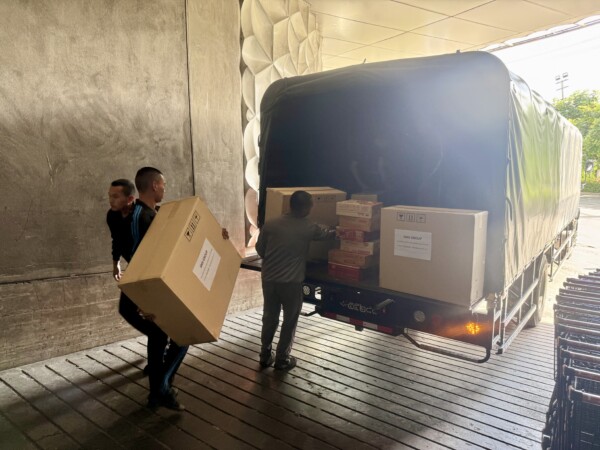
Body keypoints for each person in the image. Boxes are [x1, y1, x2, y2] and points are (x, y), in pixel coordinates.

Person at [128, 166, 189, 411]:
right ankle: (161, 389)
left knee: (160, 339)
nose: (165, 188)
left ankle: (159, 390)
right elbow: (138, 260)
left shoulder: (154, 214)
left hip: (158, 290)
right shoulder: (141, 217)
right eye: (163, 184)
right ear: (154, 185)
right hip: (151, 293)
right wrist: (143, 300)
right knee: (181, 338)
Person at [256, 190, 335, 370]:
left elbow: (260, 250)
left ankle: (265, 355)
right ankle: (282, 359)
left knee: (269, 317)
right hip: (291, 283)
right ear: (306, 208)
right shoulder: (308, 227)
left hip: (269, 280)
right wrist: (338, 229)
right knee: (289, 320)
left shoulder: (270, 224)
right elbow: (327, 234)